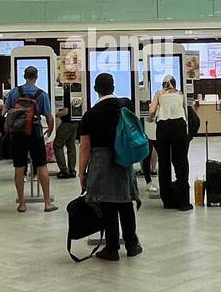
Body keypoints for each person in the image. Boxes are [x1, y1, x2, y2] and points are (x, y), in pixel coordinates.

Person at [78, 72, 141, 260]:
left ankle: (112, 248)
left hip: (101, 161)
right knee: (125, 201)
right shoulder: (125, 105)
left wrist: (82, 172)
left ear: (96, 90)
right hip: (124, 159)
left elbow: (85, 147)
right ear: (113, 87)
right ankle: (132, 244)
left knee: (107, 205)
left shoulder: (90, 114)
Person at [4, 65, 56, 213]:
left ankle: (22, 203)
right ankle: (47, 203)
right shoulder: (42, 94)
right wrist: (49, 131)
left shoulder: (15, 92)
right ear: (36, 76)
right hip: (35, 133)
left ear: (24, 76)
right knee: (41, 166)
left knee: (19, 167)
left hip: (18, 134)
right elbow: (49, 117)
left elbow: (5, 110)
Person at [151, 74, 193, 209]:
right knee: (181, 163)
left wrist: (152, 117)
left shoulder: (159, 93)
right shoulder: (181, 93)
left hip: (163, 127)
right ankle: (184, 202)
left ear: (163, 84)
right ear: (174, 83)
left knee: (164, 164)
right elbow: (186, 113)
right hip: (179, 126)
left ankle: (167, 201)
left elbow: (152, 111)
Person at [53, 82, 80, 177]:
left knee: (57, 145)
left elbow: (65, 111)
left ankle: (64, 171)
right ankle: (72, 170)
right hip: (75, 122)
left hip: (67, 123)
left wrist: (54, 114)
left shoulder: (66, 93)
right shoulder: (77, 90)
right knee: (71, 146)